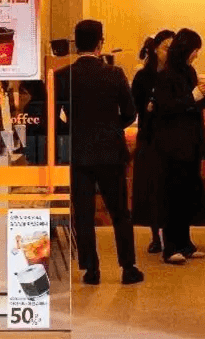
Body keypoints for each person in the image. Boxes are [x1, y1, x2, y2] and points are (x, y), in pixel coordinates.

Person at [53, 20, 144, 286]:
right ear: (100, 43)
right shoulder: (114, 74)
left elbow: (52, 116)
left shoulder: (62, 76)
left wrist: (70, 130)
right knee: (119, 212)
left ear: (75, 44)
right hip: (111, 153)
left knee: (83, 213)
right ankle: (128, 267)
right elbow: (130, 112)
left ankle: (91, 270)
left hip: (78, 153)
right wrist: (112, 128)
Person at [151, 28, 205, 264]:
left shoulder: (188, 72)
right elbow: (168, 108)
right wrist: (195, 96)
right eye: (195, 50)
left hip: (191, 141)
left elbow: (191, 105)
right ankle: (170, 247)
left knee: (187, 195)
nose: (197, 55)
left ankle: (185, 243)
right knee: (173, 196)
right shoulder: (166, 75)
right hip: (173, 144)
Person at [131, 30, 174, 254]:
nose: (169, 52)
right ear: (156, 49)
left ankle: (173, 236)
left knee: (170, 190)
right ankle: (156, 235)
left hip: (172, 139)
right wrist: (148, 107)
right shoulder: (143, 76)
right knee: (152, 190)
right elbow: (133, 107)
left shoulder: (176, 74)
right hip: (149, 138)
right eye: (166, 47)